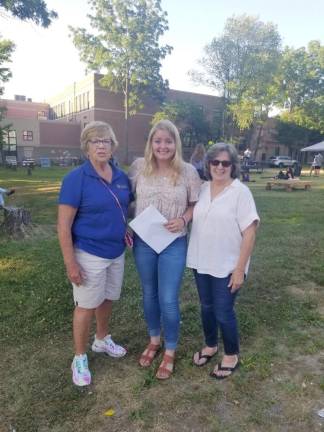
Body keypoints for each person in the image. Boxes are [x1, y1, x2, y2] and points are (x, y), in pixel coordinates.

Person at [57, 121, 132, 387]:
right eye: (95, 141)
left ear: (113, 146)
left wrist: (125, 229)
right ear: (86, 147)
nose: (101, 146)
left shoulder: (122, 178)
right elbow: (63, 226)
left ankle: (101, 340)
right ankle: (79, 357)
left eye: (106, 141)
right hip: (88, 253)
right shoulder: (75, 179)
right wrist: (71, 263)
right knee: (86, 305)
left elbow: (123, 210)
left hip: (116, 252)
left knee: (108, 298)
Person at [129, 119, 201, 380]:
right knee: (149, 293)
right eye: (157, 141)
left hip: (174, 241)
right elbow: (128, 200)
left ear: (175, 144)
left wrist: (183, 219)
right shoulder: (138, 168)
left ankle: (170, 349)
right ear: (151, 143)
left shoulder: (188, 171)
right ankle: (154, 339)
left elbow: (195, 204)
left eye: (168, 141)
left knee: (168, 298)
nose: (163, 146)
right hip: (144, 241)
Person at [187, 143, 259, 379]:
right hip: (201, 261)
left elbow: (250, 232)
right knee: (206, 307)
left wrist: (239, 270)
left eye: (225, 163)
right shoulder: (203, 188)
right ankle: (210, 345)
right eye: (215, 162)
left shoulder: (240, 192)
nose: (220, 167)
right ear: (208, 164)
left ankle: (231, 354)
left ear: (233, 166)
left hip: (228, 266)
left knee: (223, 311)